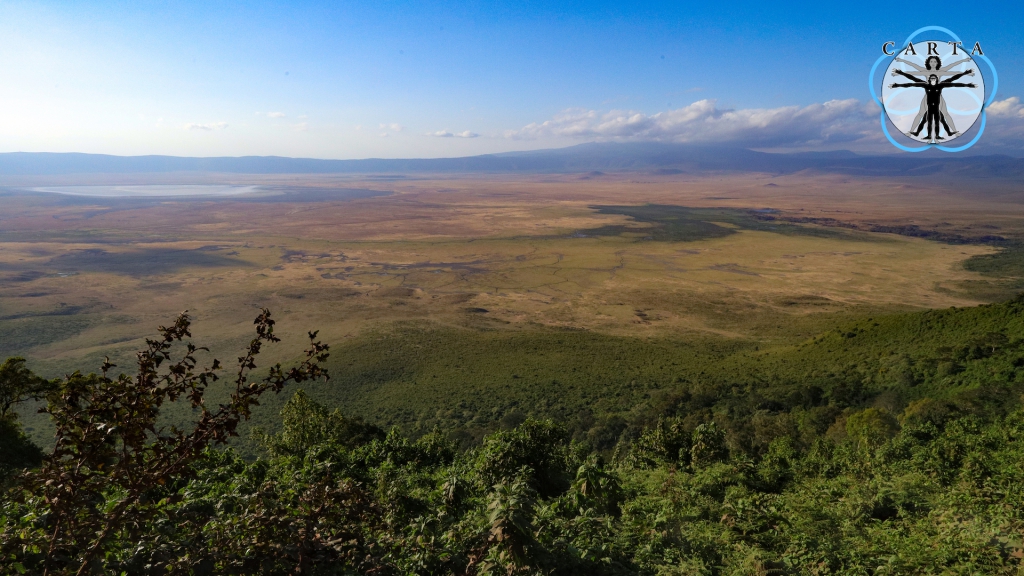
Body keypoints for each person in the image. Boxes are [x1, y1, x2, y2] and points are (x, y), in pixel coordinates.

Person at [891, 55, 972, 136]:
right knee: (921, 114)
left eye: (935, 61)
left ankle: (954, 132)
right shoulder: (924, 72)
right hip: (928, 95)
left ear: (938, 63)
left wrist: (964, 62)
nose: (933, 63)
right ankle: (911, 132)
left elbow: (952, 71)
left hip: (938, 95)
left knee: (945, 115)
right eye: (931, 61)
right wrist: (901, 63)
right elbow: (913, 72)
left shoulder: (941, 72)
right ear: (928, 63)